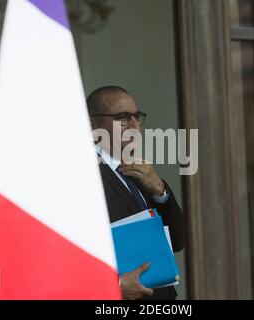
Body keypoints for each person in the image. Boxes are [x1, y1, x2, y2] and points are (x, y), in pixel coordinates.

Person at [87, 86, 184, 300]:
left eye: (137, 117)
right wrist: (116, 285)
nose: (134, 126)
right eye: (122, 118)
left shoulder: (141, 173)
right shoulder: (82, 177)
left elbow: (177, 241)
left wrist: (160, 191)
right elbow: (67, 254)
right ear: (92, 125)